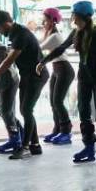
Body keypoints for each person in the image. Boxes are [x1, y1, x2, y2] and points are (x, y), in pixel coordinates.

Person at [39, 1, 96, 163]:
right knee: (83, 113)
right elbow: (61, 49)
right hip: (84, 78)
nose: (72, 18)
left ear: (81, 16)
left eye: (74, 14)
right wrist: (44, 61)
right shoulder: (75, 33)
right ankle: (89, 147)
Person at [0, 10, 45, 159]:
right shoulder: (14, 34)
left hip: (37, 75)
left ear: (6, 23)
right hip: (27, 75)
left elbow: (9, 60)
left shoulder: (21, 34)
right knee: (25, 110)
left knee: (26, 110)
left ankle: (25, 147)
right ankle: (35, 145)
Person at [37, 9, 75, 143]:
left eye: (45, 20)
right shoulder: (49, 34)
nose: (43, 23)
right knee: (53, 102)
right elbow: (39, 42)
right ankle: (57, 130)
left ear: (53, 21)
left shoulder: (54, 36)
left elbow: (38, 47)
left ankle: (66, 131)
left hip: (64, 69)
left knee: (57, 101)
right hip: (56, 69)